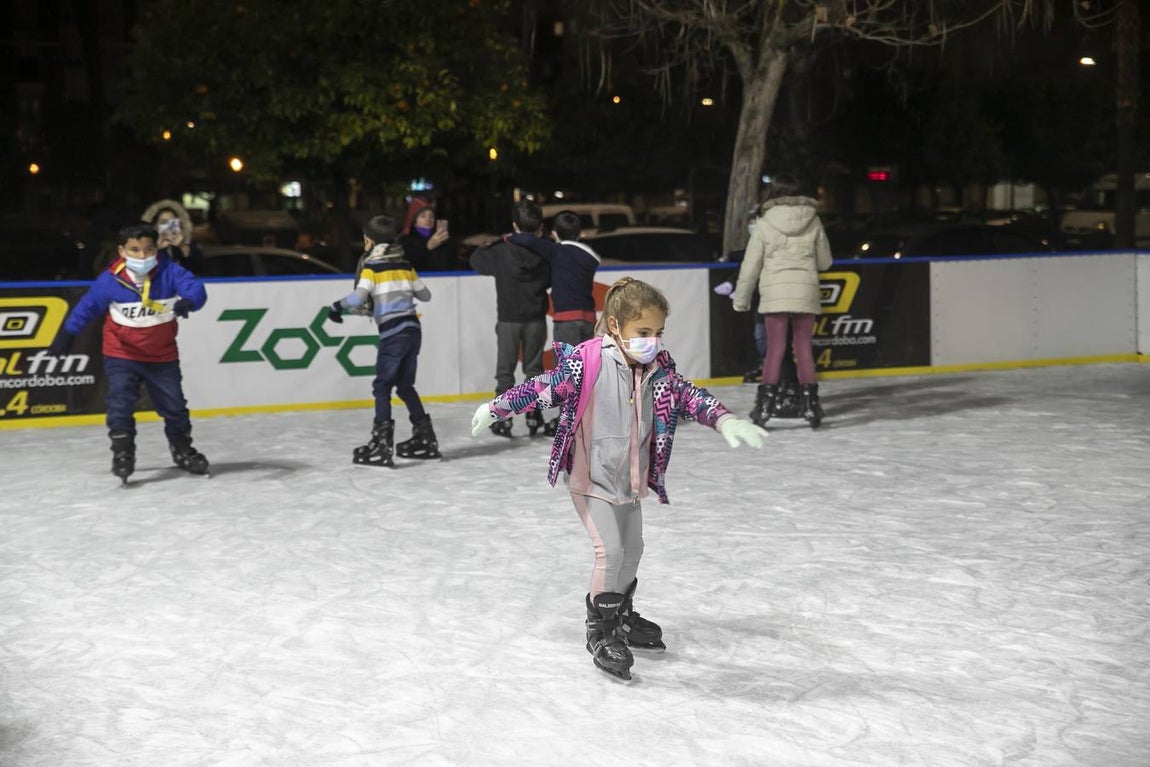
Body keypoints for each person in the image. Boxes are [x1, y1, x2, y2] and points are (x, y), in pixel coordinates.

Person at [469, 277, 768, 682]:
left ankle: (622, 616)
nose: (653, 341)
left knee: (633, 549)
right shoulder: (587, 361)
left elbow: (686, 395)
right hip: (590, 477)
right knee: (608, 551)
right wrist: (498, 407)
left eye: (659, 333)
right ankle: (601, 630)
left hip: (630, 479)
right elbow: (544, 387)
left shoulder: (658, 367)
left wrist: (724, 418)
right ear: (614, 325)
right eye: (643, 332)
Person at [45, 223, 210, 484]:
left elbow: (195, 288)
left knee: (175, 406)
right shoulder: (109, 280)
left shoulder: (169, 272)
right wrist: (66, 336)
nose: (143, 256)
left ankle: (182, 450)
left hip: (162, 355)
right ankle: (123, 454)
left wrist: (189, 300)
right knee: (120, 405)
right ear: (122, 250)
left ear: (156, 249)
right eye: (135, 250)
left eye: (148, 249)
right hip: (122, 355)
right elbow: (85, 309)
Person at [325, 215, 439, 466]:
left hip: (393, 333)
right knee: (406, 386)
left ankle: (382, 443)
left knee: (382, 387)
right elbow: (426, 295)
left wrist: (336, 306)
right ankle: (425, 436)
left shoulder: (372, 267)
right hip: (412, 330)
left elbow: (358, 298)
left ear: (368, 240)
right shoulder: (405, 266)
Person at [731, 174, 833, 427]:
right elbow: (825, 262)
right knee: (803, 348)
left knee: (774, 351)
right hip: (805, 292)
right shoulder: (814, 221)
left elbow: (750, 266)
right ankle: (810, 405)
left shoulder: (764, 223)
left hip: (775, 294)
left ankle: (764, 407)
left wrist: (741, 300)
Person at [508, 208, 601, 435]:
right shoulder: (589, 256)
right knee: (586, 372)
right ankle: (587, 417)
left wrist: (508, 237)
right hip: (588, 319)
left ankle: (567, 421)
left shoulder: (556, 251)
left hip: (566, 321)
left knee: (568, 373)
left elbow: (526, 239)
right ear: (579, 233)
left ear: (554, 233)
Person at [469, 198, 552, 438]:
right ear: (538, 226)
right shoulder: (545, 250)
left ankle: (502, 417)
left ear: (515, 225)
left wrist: (487, 244)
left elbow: (476, 262)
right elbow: (550, 279)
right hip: (535, 316)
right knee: (534, 369)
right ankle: (534, 412)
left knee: (505, 370)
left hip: (508, 318)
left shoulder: (501, 250)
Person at [142, 199, 205, 273]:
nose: (168, 226)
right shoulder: (143, 247)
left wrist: (182, 247)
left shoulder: (185, 245)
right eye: (163, 222)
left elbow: (199, 269)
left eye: (172, 222)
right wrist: (157, 248)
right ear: (155, 226)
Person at [399, 196, 456, 272]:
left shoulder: (441, 237)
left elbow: (451, 263)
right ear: (415, 221)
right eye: (423, 216)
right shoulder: (405, 240)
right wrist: (427, 248)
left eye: (431, 216)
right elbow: (408, 265)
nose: (428, 219)